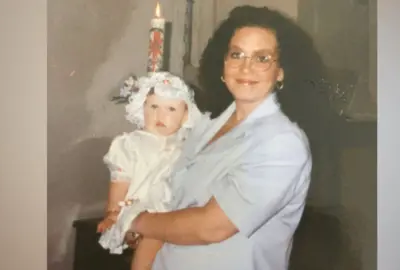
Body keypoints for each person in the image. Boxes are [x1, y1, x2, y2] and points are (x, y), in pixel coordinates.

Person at [127, 5, 324, 270]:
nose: (246, 67)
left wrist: (133, 219)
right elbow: (166, 210)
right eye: (236, 54)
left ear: (281, 72)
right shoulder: (204, 123)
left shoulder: (283, 143)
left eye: (262, 58)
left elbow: (211, 227)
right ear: (222, 62)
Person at [96, 71, 204, 255]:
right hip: (139, 209)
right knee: (149, 242)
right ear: (141, 108)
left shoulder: (187, 147)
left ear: (185, 115)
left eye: (171, 109)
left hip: (175, 211)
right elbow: (120, 182)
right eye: (154, 107)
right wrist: (112, 213)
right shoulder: (130, 144)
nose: (160, 115)